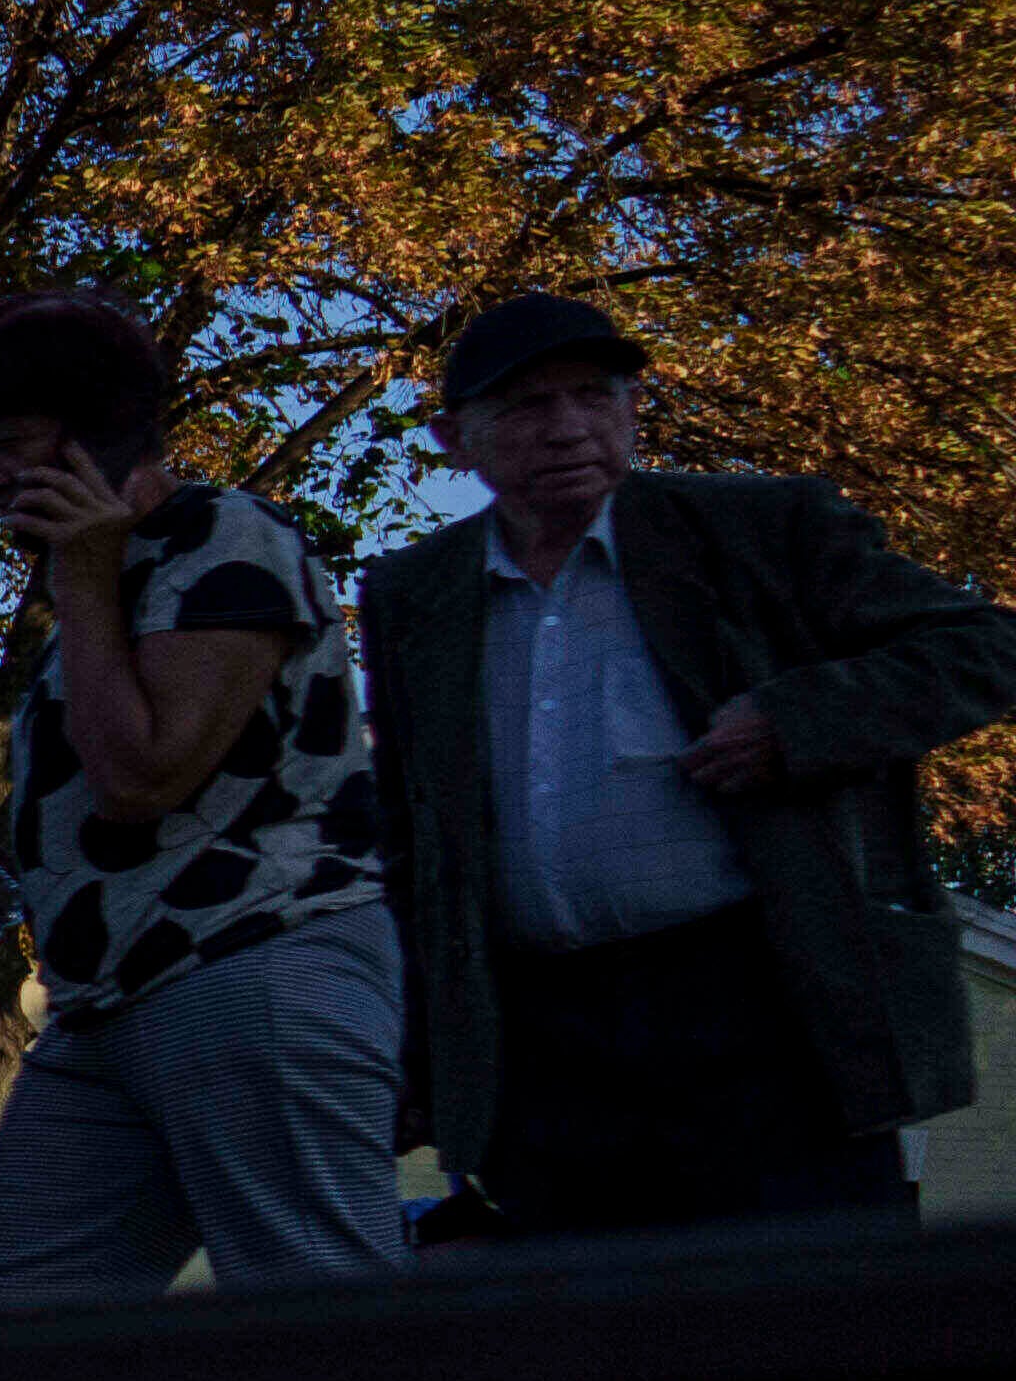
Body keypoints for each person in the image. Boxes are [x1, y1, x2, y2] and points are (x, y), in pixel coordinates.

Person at [361, 290, 1016, 1236]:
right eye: (528, 407)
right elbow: (409, 836)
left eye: (595, 396)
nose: (568, 428)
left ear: (631, 411)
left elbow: (983, 646)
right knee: (591, 1336)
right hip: (544, 1045)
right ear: (453, 440)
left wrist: (798, 720)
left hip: (762, 1013)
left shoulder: (758, 528)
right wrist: (417, 1053)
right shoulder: (416, 592)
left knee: (809, 1316)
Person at [0, 295, 405, 1305]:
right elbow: (136, 801)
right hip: (108, 1004)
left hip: (250, 963)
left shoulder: (227, 543)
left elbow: (144, 778)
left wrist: (86, 582)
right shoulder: (106, 581)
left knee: (319, 1314)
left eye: (6, 442)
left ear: (96, 438)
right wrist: (5, 858)